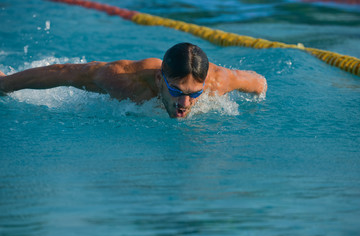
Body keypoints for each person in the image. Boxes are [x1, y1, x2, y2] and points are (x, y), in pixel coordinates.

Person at [0, 42, 267, 118]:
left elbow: (260, 83)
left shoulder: (217, 82)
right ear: (160, 79)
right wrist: (6, 84)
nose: (185, 103)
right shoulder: (124, 80)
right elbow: (64, 73)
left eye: (193, 94)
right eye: (176, 90)